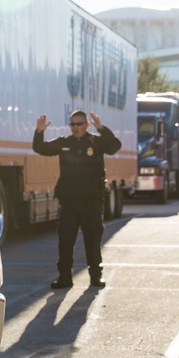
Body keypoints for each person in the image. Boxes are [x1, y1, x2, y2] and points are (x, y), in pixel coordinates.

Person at [33, 110, 121, 289]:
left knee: (93, 240)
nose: (75, 127)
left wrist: (102, 128)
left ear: (87, 125)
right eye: (72, 124)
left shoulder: (96, 142)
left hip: (92, 201)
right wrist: (39, 132)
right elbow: (41, 148)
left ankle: (96, 277)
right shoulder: (65, 143)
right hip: (69, 201)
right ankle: (65, 277)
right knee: (65, 240)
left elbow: (114, 146)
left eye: (79, 124)